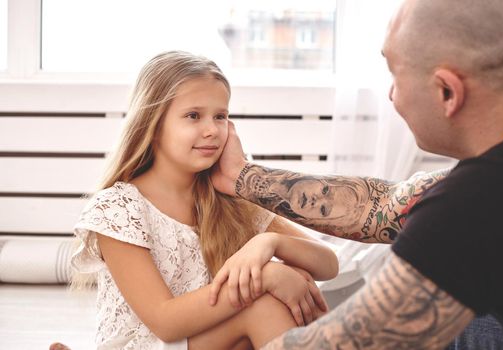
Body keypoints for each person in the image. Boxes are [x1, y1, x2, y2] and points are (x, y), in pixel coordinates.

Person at [209, 0, 503, 348]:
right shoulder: (502, 168)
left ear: (447, 91)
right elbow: (384, 204)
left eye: (395, 74)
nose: (391, 94)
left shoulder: (484, 197)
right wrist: (242, 177)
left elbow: (347, 342)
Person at [67, 51, 339, 350]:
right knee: (263, 305)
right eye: (193, 116)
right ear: (153, 125)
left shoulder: (230, 200)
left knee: (292, 287)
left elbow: (328, 264)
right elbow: (165, 322)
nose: (212, 130)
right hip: (147, 344)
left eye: (220, 116)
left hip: (205, 338)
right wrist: (266, 277)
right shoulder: (119, 208)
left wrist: (270, 245)